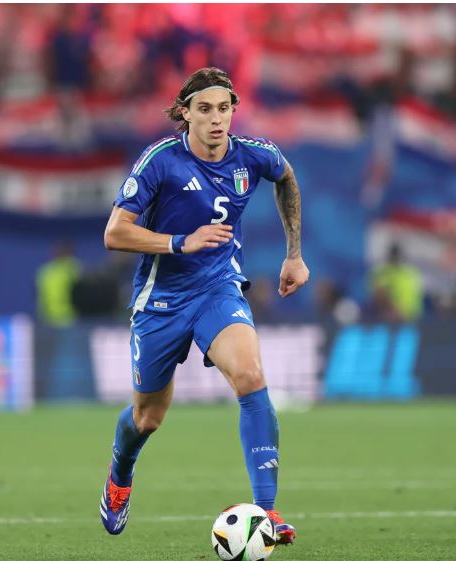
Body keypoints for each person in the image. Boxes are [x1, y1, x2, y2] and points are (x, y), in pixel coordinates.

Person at [99, 67, 309, 544]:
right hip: (161, 301)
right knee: (148, 417)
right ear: (185, 114)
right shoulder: (161, 161)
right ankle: (119, 475)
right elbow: (115, 233)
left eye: (224, 108)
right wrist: (180, 242)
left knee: (250, 376)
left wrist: (294, 254)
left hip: (218, 289)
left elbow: (286, 177)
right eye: (206, 109)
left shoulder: (252, 155)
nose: (217, 119)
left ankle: (267, 513)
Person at [370, 244, 423, 322]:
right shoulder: (384, 273)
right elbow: (379, 294)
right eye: (395, 256)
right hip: (393, 318)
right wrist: (392, 310)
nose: (397, 259)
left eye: (399, 256)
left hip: (413, 318)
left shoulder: (412, 272)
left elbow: (417, 295)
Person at [35, 242, 81, 327]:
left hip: (70, 320)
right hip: (51, 320)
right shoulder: (46, 271)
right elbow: (41, 296)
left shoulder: (75, 269)